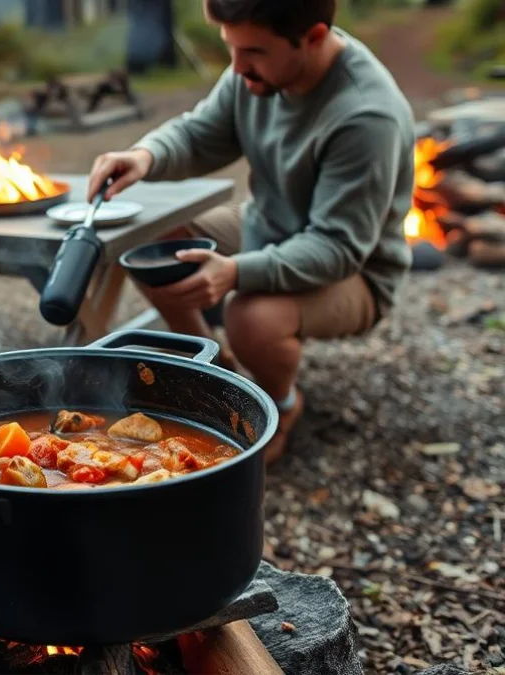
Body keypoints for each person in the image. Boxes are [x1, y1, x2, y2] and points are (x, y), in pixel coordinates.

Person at [87, 0, 414, 462]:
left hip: (355, 270)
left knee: (251, 315)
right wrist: (146, 156)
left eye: (254, 52)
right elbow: (201, 133)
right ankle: (219, 380)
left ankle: (281, 405)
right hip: (268, 226)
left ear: (315, 37)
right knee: (150, 246)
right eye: (231, 48)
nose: (238, 68)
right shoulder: (256, 69)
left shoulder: (364, 115)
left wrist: (236, 272)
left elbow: (338, 247)